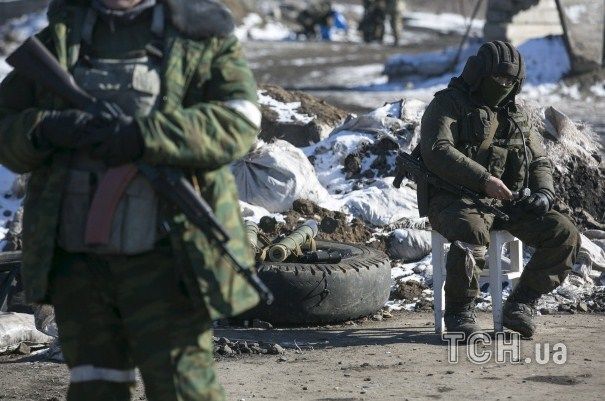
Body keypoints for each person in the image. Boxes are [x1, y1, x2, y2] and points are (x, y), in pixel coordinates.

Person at [0, 0, 262, 400]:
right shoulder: (60, 39)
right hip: (78, 263)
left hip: (167, 259)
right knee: (94, 387)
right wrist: (45, 128)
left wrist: (146, 135)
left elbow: (238, 121)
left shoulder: (198, 35)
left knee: (184, 389)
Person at [419, 41, 580, 338]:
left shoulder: (516, 116)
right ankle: (459, 311)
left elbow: (539, 160)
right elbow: (437, 150)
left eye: (510, 81)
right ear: (479, 74)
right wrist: (484, 181)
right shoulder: (447, 104)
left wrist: (543, 192)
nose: (503, 85)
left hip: (506, 202)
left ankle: (521, 304)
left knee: (564, 234)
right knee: (472, 234)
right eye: (498, 79)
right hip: (454, 199)